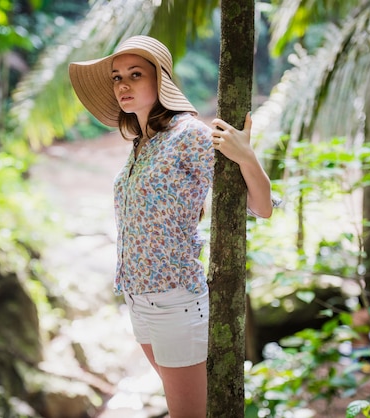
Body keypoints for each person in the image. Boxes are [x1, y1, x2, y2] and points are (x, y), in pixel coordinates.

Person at [69, 35, 278, 417]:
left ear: (161, 80)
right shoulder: (143, 142)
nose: (123, 85)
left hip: (175, 302)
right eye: (117, 77)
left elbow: (261, 207)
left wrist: (248, 156)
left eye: (135, 74)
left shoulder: (189, 134)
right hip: (137, 300)